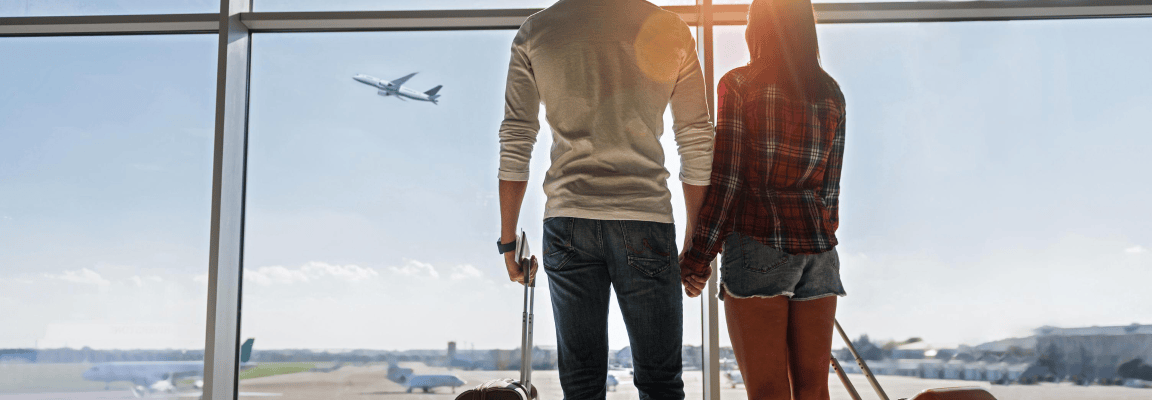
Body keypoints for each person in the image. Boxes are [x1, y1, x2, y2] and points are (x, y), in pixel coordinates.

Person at [496, 0, 714, 398]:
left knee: (581, 385)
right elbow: (696, 138)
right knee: (661, 384)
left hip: (567, 219)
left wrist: (508, 242)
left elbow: (516, 138)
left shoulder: (538, 31)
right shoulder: (669, 29)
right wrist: (696, 240)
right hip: (645, 217)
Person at [679, 1, 847, 399]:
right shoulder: (831, 93)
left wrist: (699, 258)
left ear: (757, 27)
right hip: (820, 253)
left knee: (768, 390)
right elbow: (830, 194)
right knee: (814, 390)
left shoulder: (739, 84)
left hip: (758, 242)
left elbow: (728, 180)